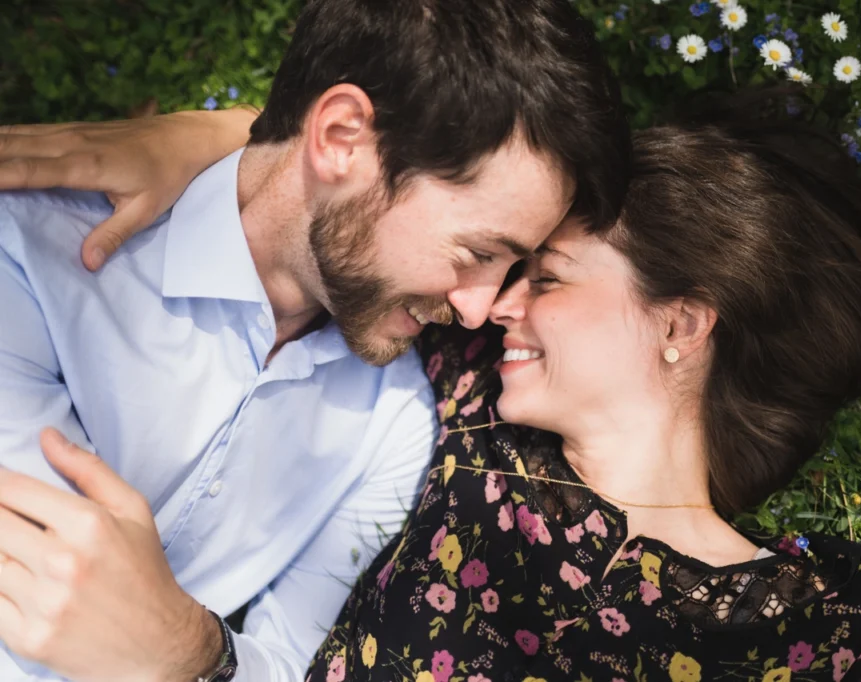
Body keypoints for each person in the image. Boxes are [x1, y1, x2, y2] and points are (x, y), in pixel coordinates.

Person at [2, 96, 861, 681]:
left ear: (681, 325)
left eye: (549, 278)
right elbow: (383, 212)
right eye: (503, 268)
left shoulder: (832, 625)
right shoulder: (466, 413)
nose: (493, 305)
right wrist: (227, 140)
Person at [0, 0, 629, 680]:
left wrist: (195, 655)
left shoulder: (392, 423)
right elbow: (43, 591)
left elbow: (292, 662)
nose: (478, 309)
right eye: (477, 250)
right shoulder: (31, 255)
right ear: (340, 138)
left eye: (512, 267)